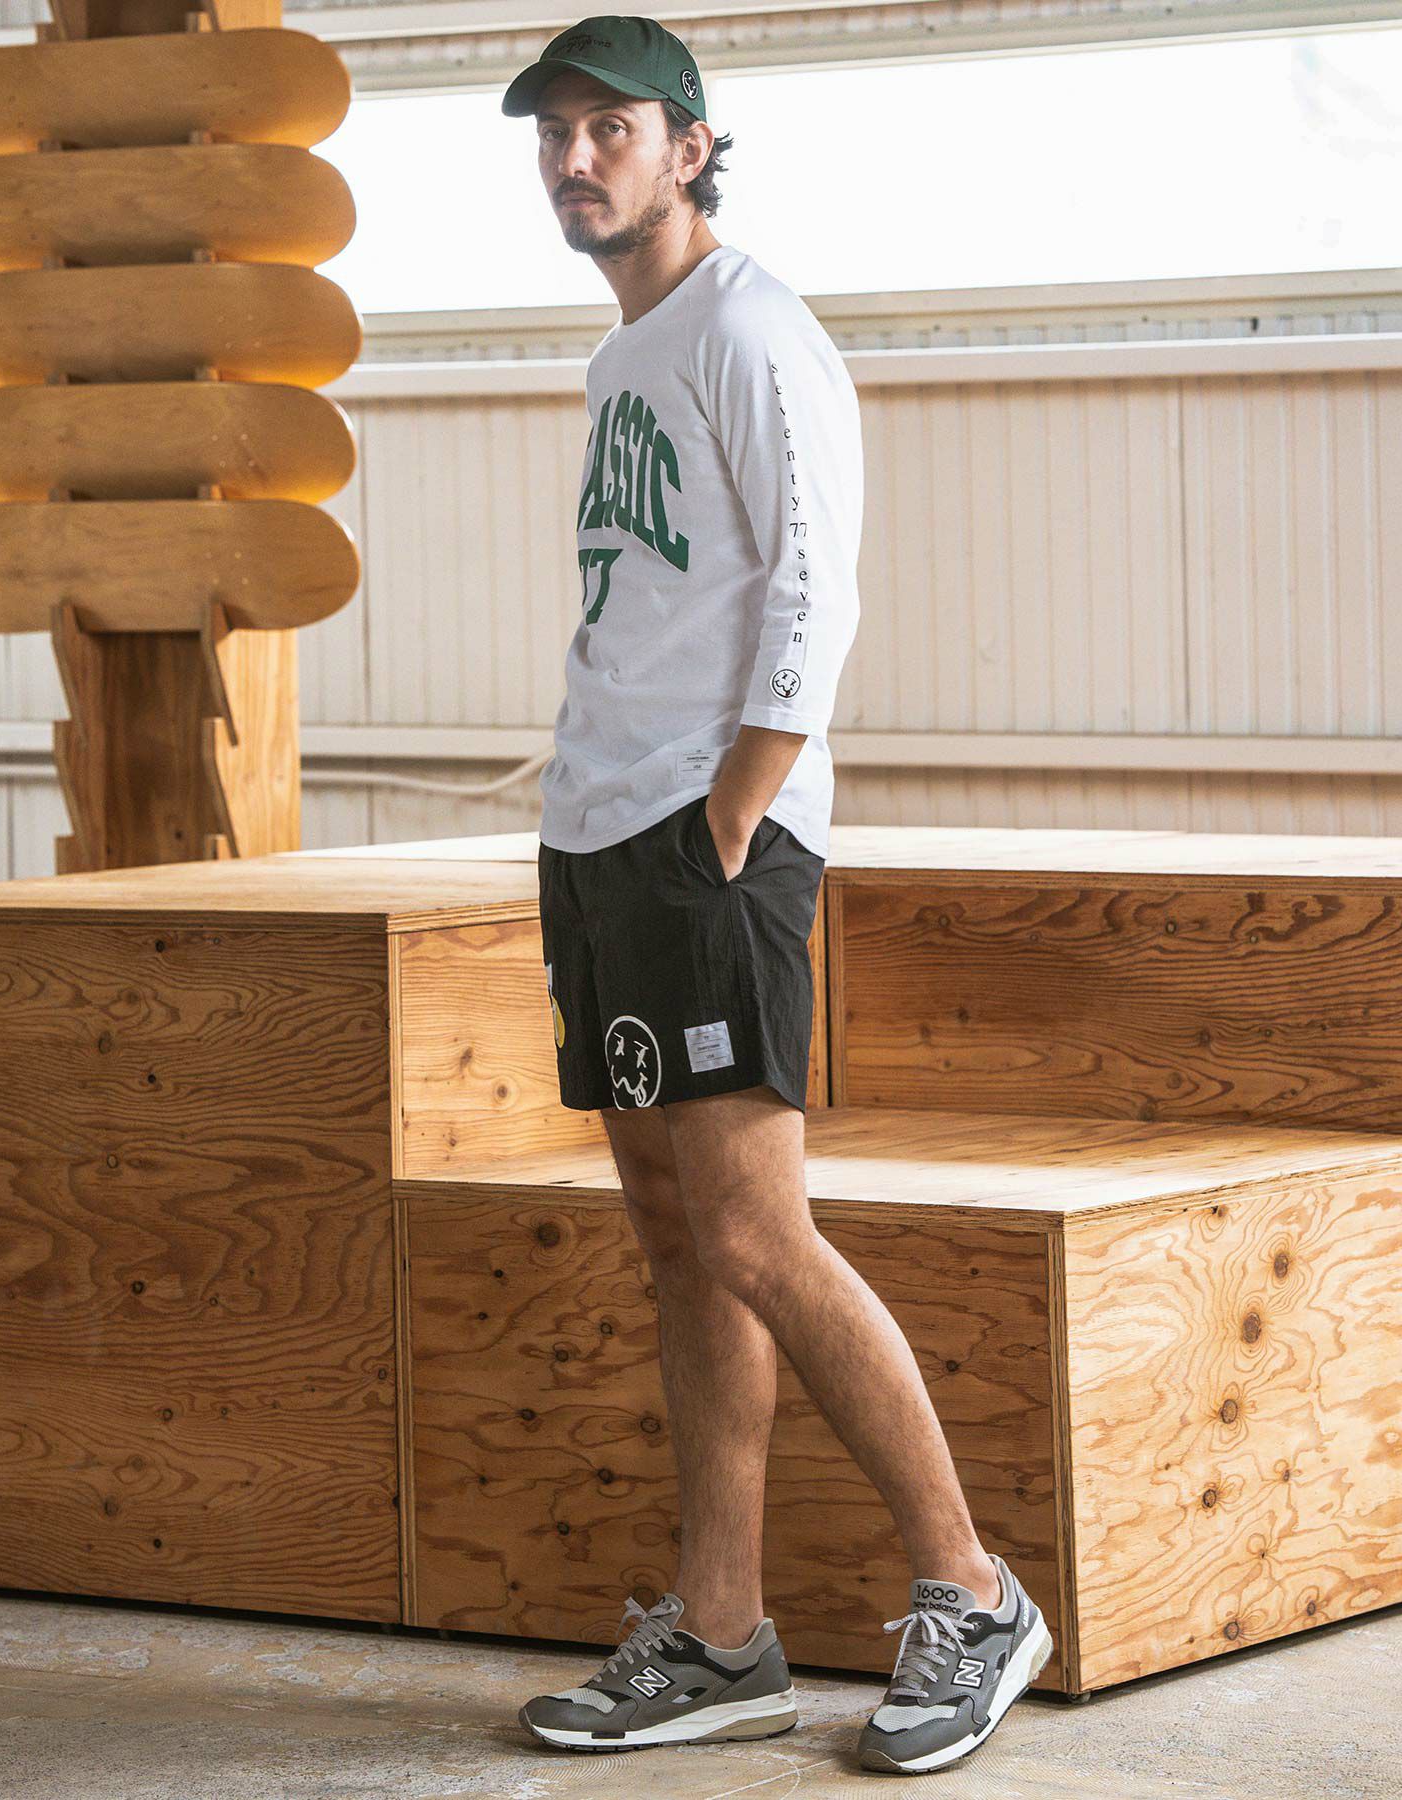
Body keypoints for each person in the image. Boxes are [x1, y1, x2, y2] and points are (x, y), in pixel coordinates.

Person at [503, 16, 1051, 1774]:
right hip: (603, 836)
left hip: (704, 840)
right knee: (679, 1241)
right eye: (554, 133)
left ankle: (974, 1591)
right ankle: (725, 1634)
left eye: (611, 129)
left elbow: (818, 586)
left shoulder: (751, 327)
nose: (576, 159)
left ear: (692, 149)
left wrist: (736, 805)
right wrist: (593, 810)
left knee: (752, 1231)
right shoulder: (626, 356)